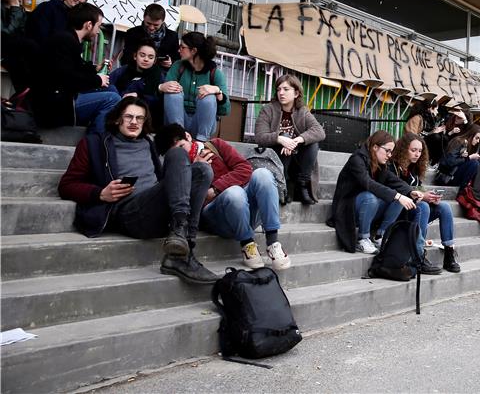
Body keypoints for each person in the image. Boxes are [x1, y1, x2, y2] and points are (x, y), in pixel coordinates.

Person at [58, 97, 216, 284]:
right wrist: (100, 193)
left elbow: (163, 178)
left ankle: (183, 246)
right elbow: (66, 185)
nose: (134, 122)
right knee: (178, 153)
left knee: (201, 169)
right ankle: (181, 245)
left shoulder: (148, 143)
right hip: (130, 213)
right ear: (117, 119)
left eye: (139, 118)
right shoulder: (93, 143)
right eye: (129, 117)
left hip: (159, 211)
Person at [155, 123, 290, 271]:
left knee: (262, 174)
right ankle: (247, 244)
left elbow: (245, 169)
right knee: (234, 193)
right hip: (218, 217)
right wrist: (196, 171)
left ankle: (273, 243)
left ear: (188, 137)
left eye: (182, 147)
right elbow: (187, 210)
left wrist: (215, 188)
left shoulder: (215, 145)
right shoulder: (178, 168)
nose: (182, 154)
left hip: (245, 209)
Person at [31, 3, 121, 133]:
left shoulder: (67, 38)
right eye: (98, 26)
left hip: (64, 97)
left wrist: (95, 69)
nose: (98, 31)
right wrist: (97, 80)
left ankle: (99, 130)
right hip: (55, 105)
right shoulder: (64, 40)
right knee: (113, 99)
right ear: (88, 25)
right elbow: (66, 78)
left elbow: (73, 68)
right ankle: (95, 142)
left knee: (111, 88)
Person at [328, 130, 416, 254]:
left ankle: (381, 236)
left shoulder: (379, 163)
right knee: (371, 197)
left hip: (368, 208)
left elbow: (392, 179)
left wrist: (410, 191)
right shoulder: (357, 159)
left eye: (391, 152)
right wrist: (397, 195)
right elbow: (368, 183)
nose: (390, 155)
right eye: (387, 151)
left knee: (398, 199)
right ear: (375, 147)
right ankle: (362, 239)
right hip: (348, 207)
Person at [385, 133, 460, 273]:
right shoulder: (392, 166)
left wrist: (430, 196)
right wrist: (422, 197)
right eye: (413, 150)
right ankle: (417, 255)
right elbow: (395, 189)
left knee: (444, 207)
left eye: (420, 151)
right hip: (397, 210)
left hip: (413, 209)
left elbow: (419, 190)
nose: (417, 154)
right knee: (423, 206)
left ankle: (449, 252)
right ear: (403, 149)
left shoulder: (414, 168)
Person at [254, 74, 325, 205]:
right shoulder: (268, 110)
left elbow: (320, 131)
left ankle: (302, 185)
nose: (281, 93)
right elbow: (259, 136)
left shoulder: (302, 111)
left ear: (296, 93)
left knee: (313, 143)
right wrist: (280, 139)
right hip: (276, 159)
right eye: (279, 89)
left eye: (286, 89)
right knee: (284, 137)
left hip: (298, 161)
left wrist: (297, 140)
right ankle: (283, 185)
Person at [160, 32, 229, 142]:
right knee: (173, 90)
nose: (179, 50)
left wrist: (217, 91)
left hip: (202, 124)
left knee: (209, 97)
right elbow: (165, 94)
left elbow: (225, 110)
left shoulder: (215, 73)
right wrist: (161, 87)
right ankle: (178, 137)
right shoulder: (178, 66)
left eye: (182, 47)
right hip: (177, 121)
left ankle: (201, 142)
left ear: (194, 51)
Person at [1, 0, 37, 91]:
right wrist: (15, 8)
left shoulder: (17, 7)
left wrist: (17, 8)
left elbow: (21, 35)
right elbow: (4, 36)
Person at [108, 39, 163, 115]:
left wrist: (138, 97)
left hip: (141, 111)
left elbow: (154, 100)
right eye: (142, 55)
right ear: (135, 56)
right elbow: (108, 82)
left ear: (155, 60)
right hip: (117, 105)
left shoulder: (157, 75)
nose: (146, 59)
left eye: (150, 57)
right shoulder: (125, 69)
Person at [120, 3, 179, 70]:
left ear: (162, 21)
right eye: (148, 23)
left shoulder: (172, 36)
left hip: (162, 73)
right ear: (144, 18)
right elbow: (125, 59)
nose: (151, 27)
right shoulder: (132, 33)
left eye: (156, 25)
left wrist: (170, 62)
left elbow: (177, 60)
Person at [404, 98, 446, 164]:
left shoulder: (429, 119)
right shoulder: (417, 118)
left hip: (421, 143)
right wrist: (433, 133)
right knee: (435, 137)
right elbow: (411, 136)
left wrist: (434, 131)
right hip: (414, 144)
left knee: (444, 138)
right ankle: (430, 161)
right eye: (436, 109)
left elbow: (426, 134)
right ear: (430, 108)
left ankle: (434, 162)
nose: (437, 112)